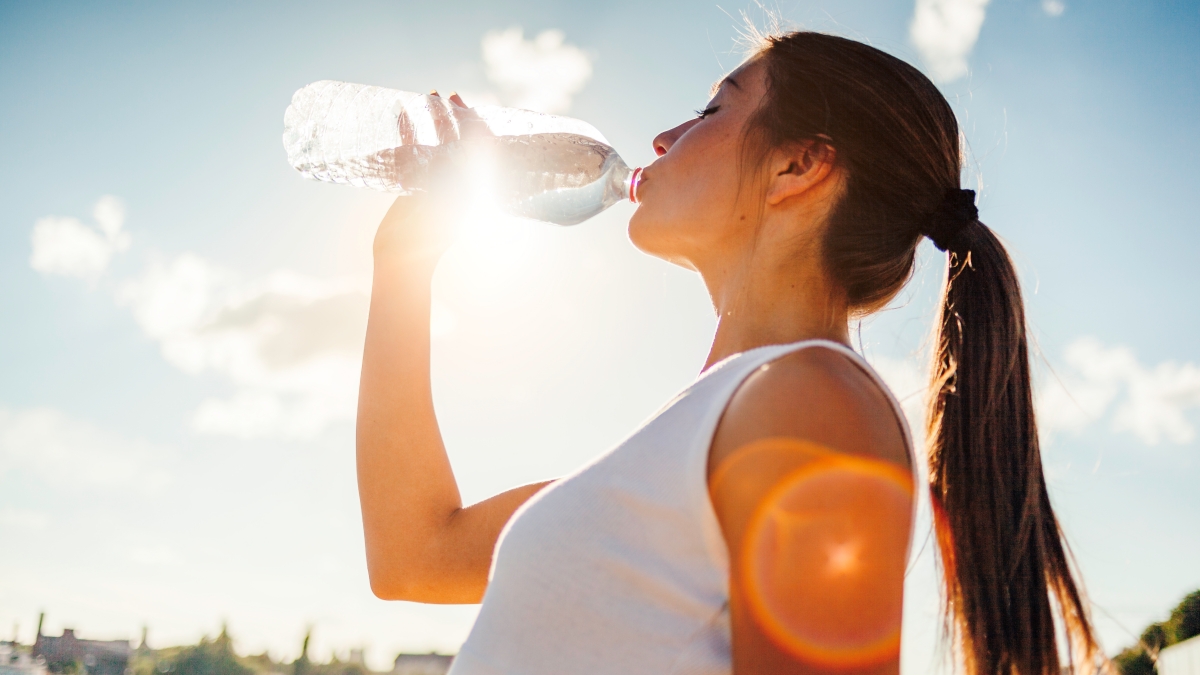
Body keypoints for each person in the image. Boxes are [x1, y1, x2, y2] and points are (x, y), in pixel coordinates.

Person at [356, 30, 1102, 675]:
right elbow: (416, 554)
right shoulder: (712, 423)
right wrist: (403, 264)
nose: (662, 139)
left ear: (797, 166)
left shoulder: (812, 402)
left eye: (713, 109)